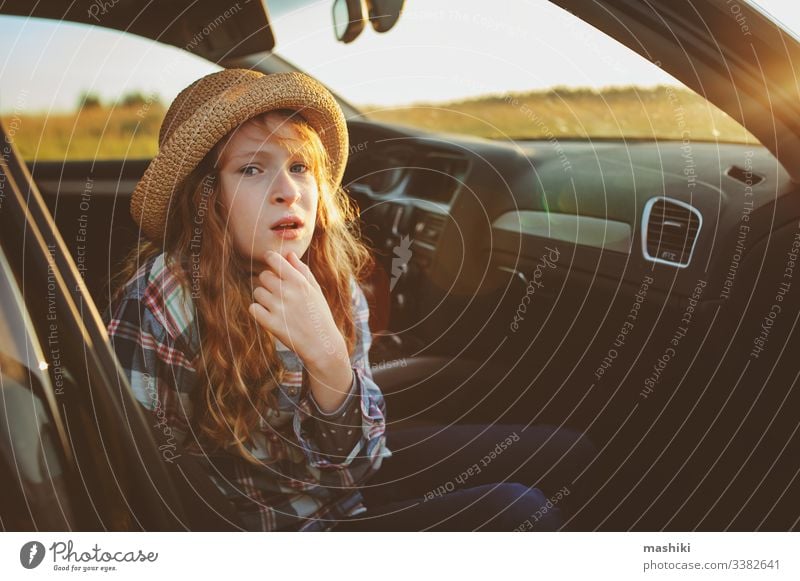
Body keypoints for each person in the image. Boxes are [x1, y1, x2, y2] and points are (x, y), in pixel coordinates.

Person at [105, 68, 594, 531]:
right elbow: (153, 479)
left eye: (299, 167)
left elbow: (361, 464)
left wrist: (330, 363)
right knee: (517, 513)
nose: (288, 192)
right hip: (281, 524)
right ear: (204, 199)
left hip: (342, 477)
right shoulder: (164, 298)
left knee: (573, 452)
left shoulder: (328, 273)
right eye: (252, 169)